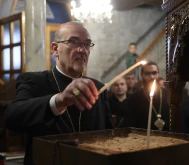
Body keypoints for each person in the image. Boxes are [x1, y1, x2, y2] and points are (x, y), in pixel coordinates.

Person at [4, 21, 113, 165]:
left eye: (87, 44)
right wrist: (59, 100)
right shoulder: (34, 81)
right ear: (55, 49)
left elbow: (109, 137)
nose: (82, 50)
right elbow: (12, 117)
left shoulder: (98, 87)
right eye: (73, 42)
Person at [123, 61, 170, 131]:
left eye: (154, 73)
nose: (151, 77)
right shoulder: (134, 97)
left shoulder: (168, 94)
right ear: (142, 75)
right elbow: (131, 124)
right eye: (147, 73)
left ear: (158, 73)